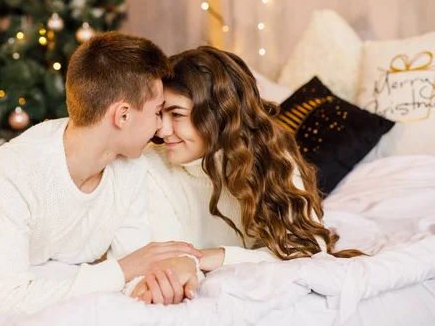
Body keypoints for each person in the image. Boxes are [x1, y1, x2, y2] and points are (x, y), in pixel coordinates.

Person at [0, 32, 202, 314]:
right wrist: (123, 270)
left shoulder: (131, 166)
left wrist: (155, 282)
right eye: (158, 112)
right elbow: (0, 300)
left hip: (1, 192)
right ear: (123, 115)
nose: (161, 127)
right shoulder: (13, 171)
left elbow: (133, 262)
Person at [129, 46, 364, 302]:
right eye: (160, 113)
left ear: (219, 115)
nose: (161, 129)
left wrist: (215, 256)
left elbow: (307, 250)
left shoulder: (273, 161)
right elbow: (168, 263)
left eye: (176, 114)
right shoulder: (151, 166)